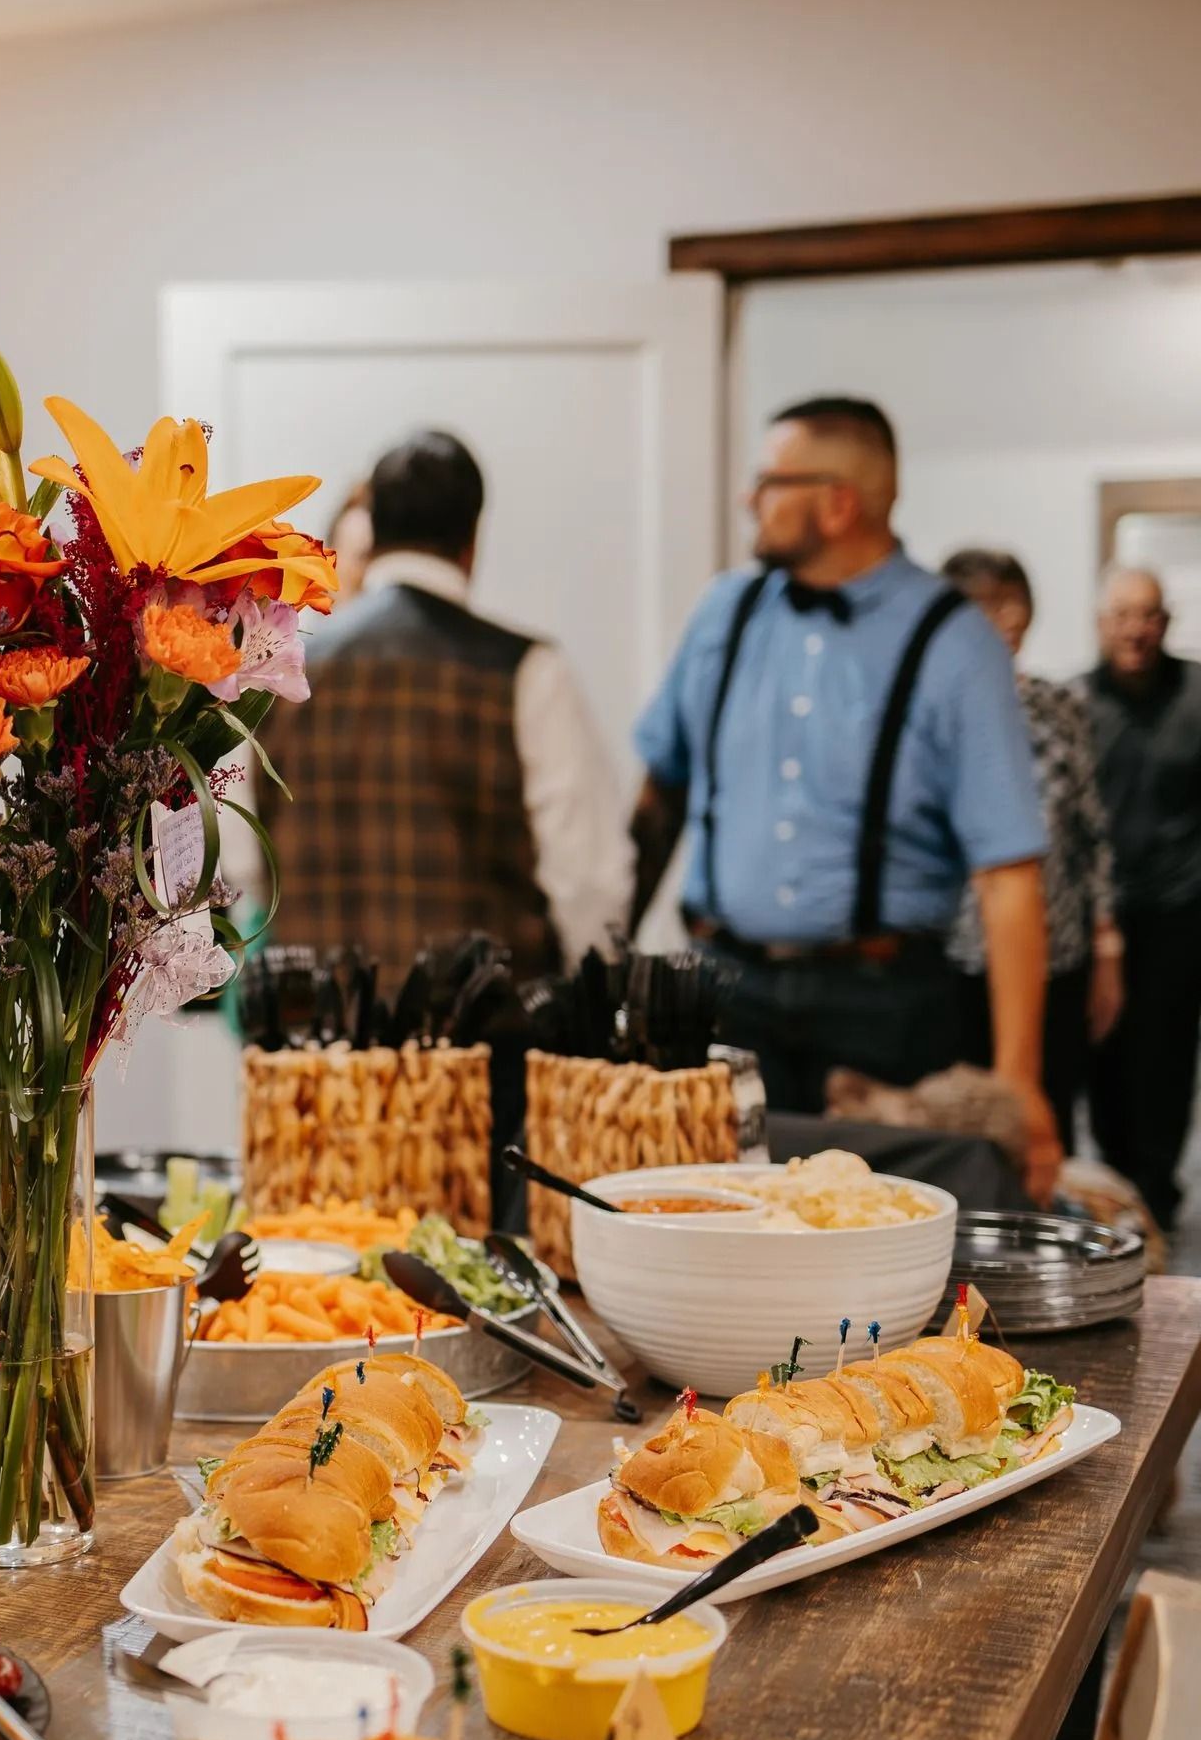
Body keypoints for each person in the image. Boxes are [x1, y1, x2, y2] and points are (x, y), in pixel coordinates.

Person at [630, 398, 1059, 1200]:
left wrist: (1018, 1088)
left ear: (837, 501)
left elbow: (1008, 879)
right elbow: (661, 796)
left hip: (885, 1007)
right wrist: (615, 963)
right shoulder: (725, 612)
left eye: (768, 482)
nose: (748, 500)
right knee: (717, 1220)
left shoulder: (955, 643)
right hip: (728, 993)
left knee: (877, 1238)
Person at [268, 428, 629, 980]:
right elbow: (587, 880)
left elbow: (244, 862)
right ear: (471, 539)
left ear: (376, 527)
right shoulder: (527, 670)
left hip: (315, 1047)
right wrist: (596, 991)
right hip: (481, 1048)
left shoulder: (285, 669)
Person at [940, 549, 1122, 1152]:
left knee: (1046, 1118)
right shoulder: (934, 711)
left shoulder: (1060, 705)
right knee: (956, 1123)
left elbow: (1091, 833)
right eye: (992, 602)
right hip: (956, 952)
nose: (1011, 616)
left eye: (1018, 599)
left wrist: (1105, 944)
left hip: (1055, 946)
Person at [1084, 565, 1201, 1227]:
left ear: (1166, 622)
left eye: (1150, 614)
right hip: (1098, 916)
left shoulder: (1196, 694)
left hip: (1177, 918)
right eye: (1124, 614)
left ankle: (1156, 1189)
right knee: (1103, 1056)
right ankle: (1112, 1184)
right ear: (1101, 621)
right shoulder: (1076, 700)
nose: (1138, 628)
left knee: (1166, 1055)